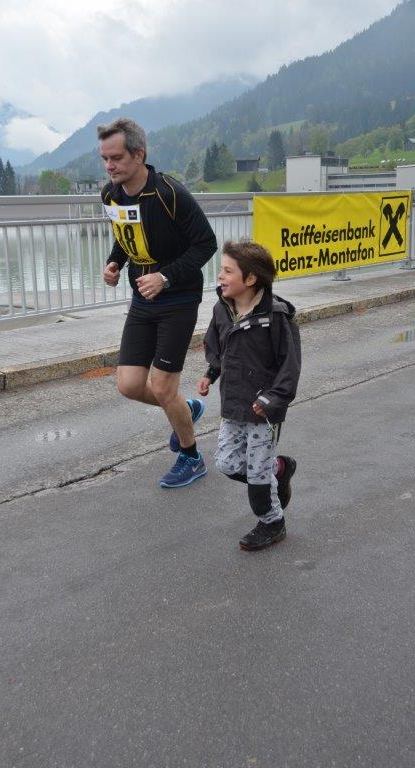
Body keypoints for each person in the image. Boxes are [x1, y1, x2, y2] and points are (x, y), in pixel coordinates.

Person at [98, 118, 218, 488]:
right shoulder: (111, 195)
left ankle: (191, 457)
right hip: (143, 300)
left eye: (116, 157)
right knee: (130, 385)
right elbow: (126, 235)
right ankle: (186, 408)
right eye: (104, 159)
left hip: (178, 298)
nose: (109, 166)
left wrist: (165, 277)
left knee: (164, 387)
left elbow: (206, 244)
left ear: (139, 155)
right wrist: (115, 262)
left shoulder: (170, 194)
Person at [197, 239, 301, 550]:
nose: (220, 276)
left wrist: (271, 399)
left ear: (251, 278)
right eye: (221, 270)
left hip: (263, 412)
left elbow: (290, 366)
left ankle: (272, 522)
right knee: (227, 463)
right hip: (233, 404)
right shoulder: (221, 309)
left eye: (228, 271)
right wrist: (210, 374)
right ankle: (278, 470)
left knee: (257, 476)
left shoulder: (276, 316)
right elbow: (219, 348)